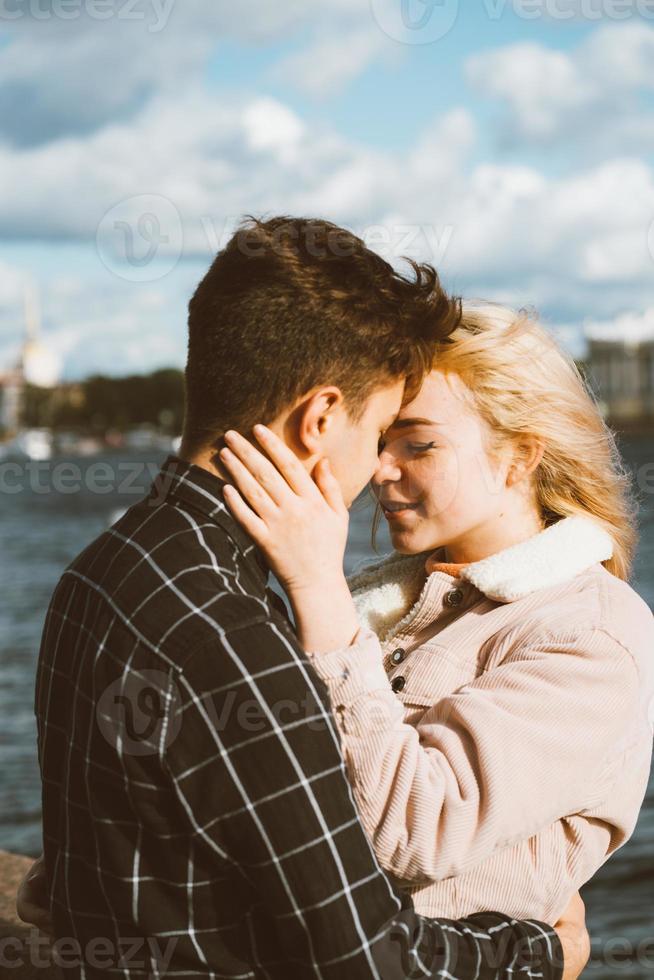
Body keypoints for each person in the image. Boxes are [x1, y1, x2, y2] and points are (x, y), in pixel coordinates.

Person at [14, 220, 588, 979]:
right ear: (319, 420)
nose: (381, 467)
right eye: (382, 430)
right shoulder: (228, 635)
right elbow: (366, 959)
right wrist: (540, 950)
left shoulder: (102, 569)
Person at [211, 299, 654, 934]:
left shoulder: (589, 634)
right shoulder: (382, 605)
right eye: (380, 439)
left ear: (519, 455)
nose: (379, 471)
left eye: (418, 444)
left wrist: (314, 585)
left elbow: (414, 831)